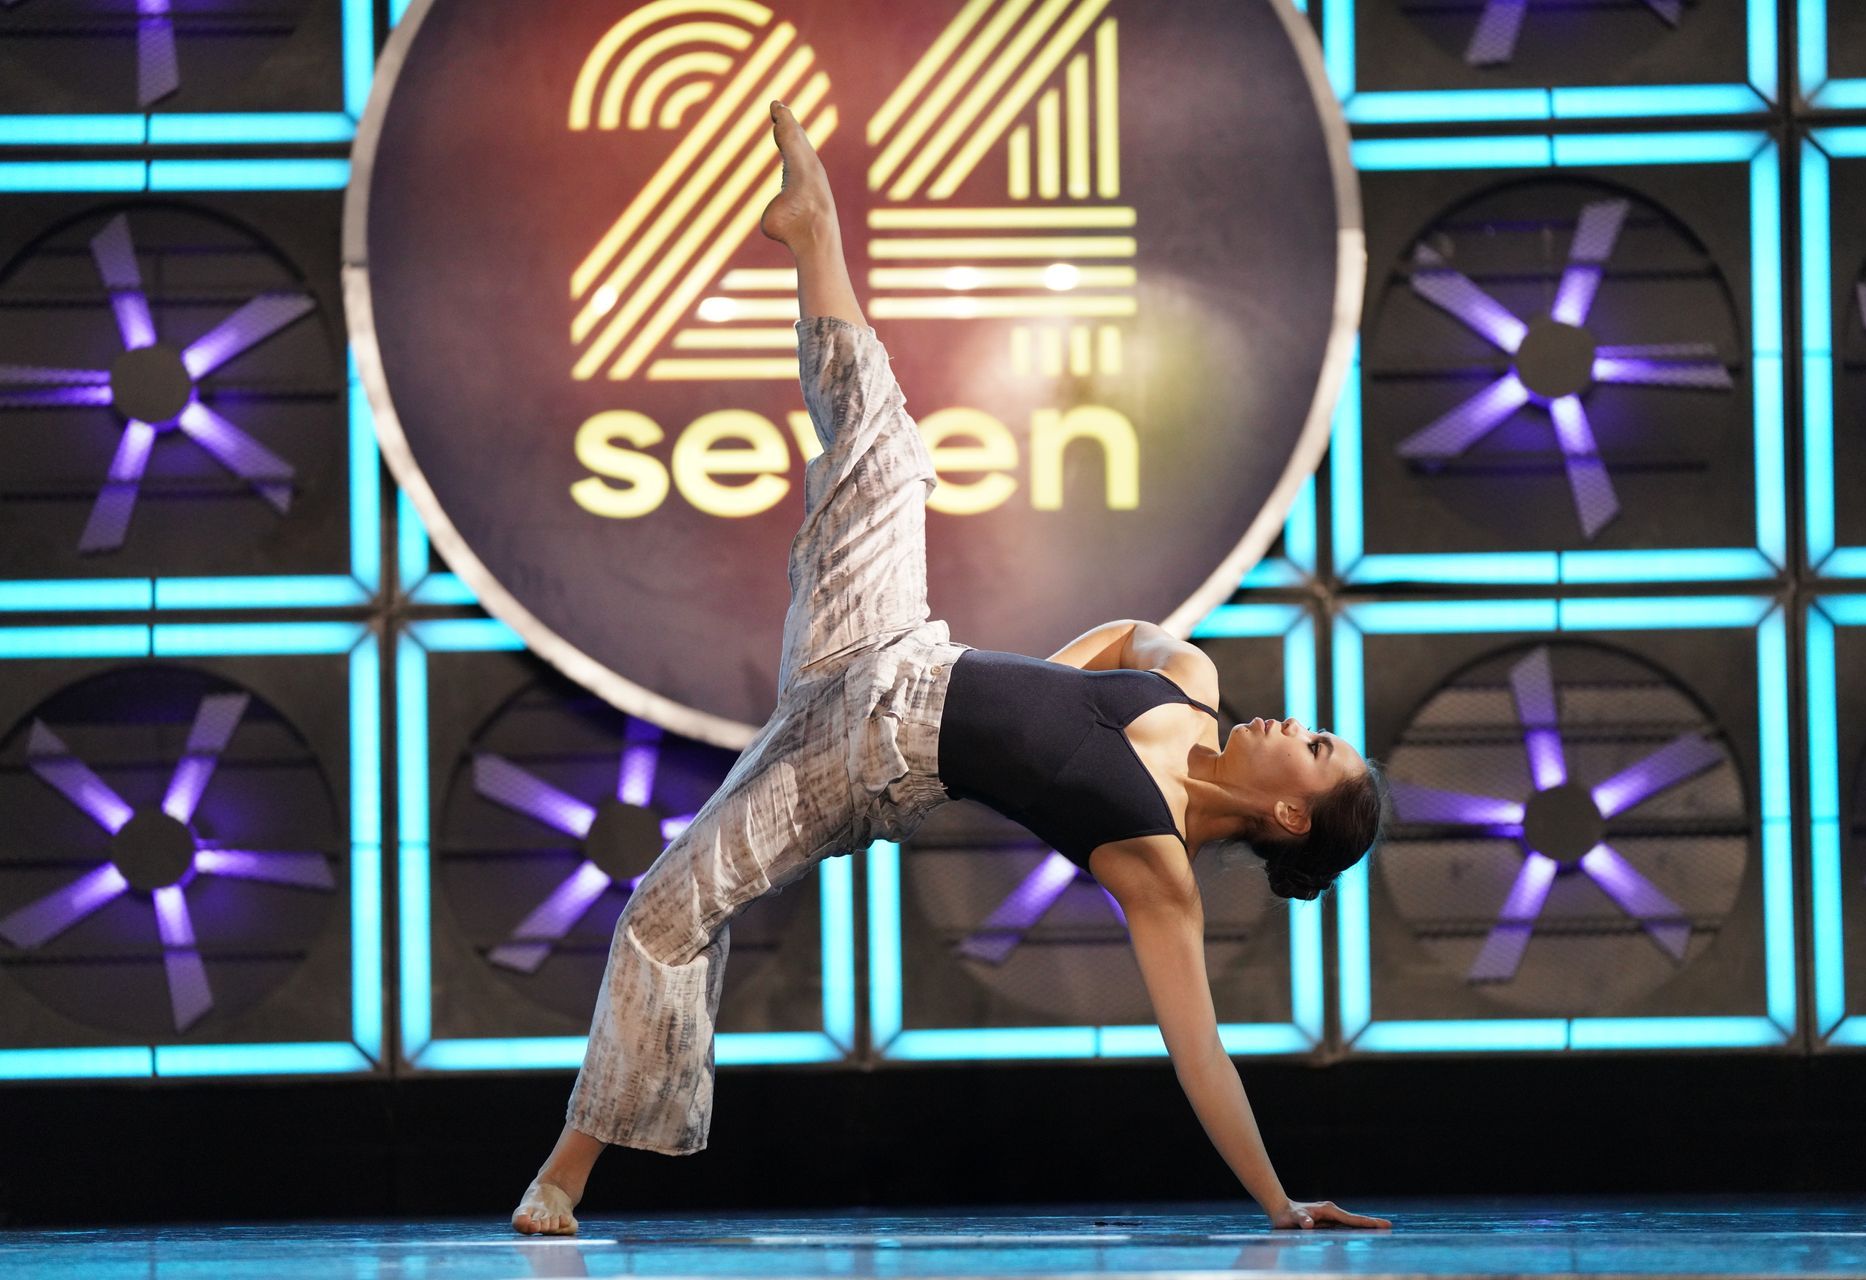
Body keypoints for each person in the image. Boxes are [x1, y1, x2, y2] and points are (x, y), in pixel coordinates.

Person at [511, 101, 1389, 1237]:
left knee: (666, 909)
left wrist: (1278, 1201)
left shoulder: (1157, 870)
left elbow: (1202, 1054)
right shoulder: (1196, 688)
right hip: (889, 640)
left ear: (1287, 809)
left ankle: (563, 1176)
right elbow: (1126, 633)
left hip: (852, 767)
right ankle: (813, 229)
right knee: (886, 445)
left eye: (1314, 748)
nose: (1295, 725)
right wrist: (1033, 683)